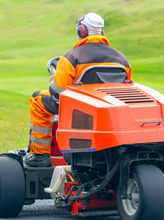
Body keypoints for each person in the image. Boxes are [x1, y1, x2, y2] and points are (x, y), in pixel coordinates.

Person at [25, 12, 132, 167]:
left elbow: (57, 92)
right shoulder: (122, 59)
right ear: (102, 33)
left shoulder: (71, 57)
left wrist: (54, 79)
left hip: (78, 108)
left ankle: (39, 155)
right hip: (110, 108)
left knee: (37, 99)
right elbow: (128, 86)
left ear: (81, 31)